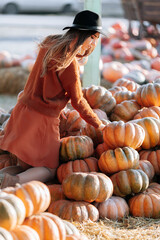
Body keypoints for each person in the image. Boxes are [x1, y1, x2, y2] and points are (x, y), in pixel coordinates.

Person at [0, 10, 106, 188]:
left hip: (22, 111)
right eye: (94, 39)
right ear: (91, 37)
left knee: (25, 165)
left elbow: (48, 82)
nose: (94, 44)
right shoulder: (69, 64)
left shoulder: (50, 44)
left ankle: (4, 178)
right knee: (49, 168)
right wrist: (99, 124)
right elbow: (78, 101)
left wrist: (59, 105)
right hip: (41, 120)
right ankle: (13, 183)